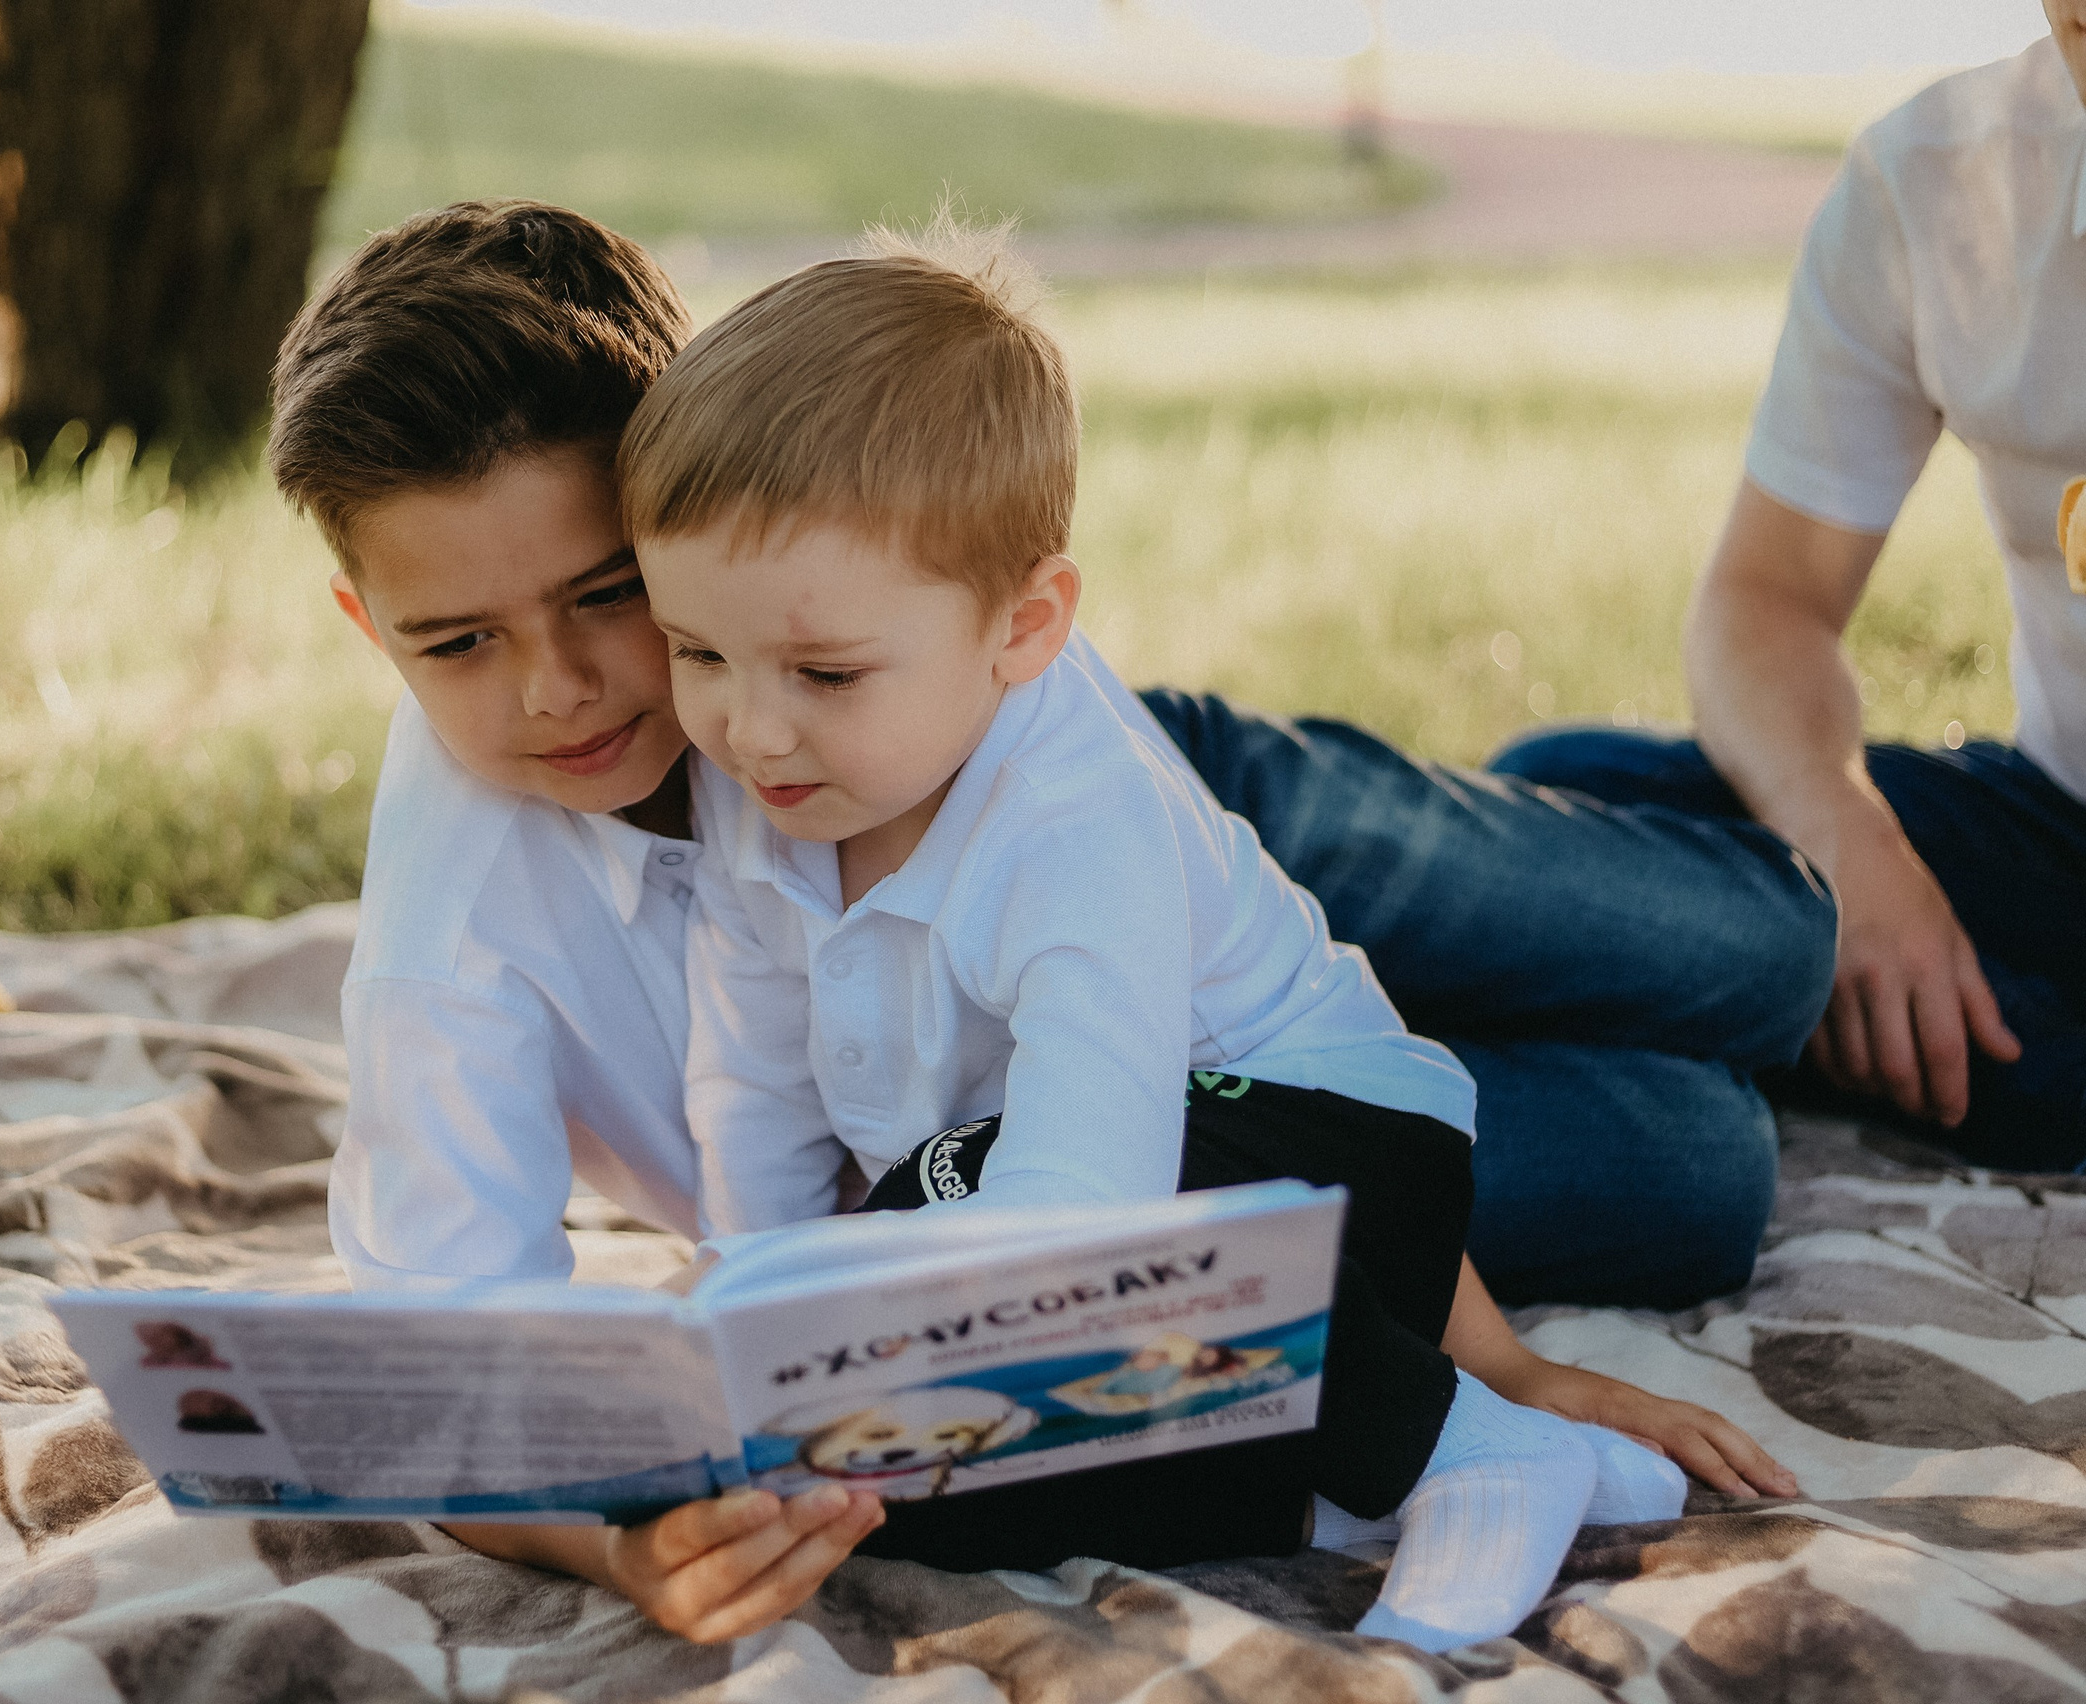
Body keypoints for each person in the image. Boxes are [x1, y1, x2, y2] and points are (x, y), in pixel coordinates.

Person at [266, 199, 1792, 1647]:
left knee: (1769, 954)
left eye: (608, 595)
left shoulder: (939, 683)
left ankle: (1617, 784)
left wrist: (1500, 1365)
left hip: (1158, 853)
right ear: (372, 626)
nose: (559, 688)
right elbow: (447, 1356)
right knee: (1702, 1164)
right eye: (458, 641)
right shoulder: (468, 921)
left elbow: (1128, 1148)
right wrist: (629, 1532)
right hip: (1009, 1120)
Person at [626, 228, 1703, 1649]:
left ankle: (1465, 1449)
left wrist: (831, 1294)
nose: (747, 727)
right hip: (1055, 1222)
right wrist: (763, 1347)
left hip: (1322, 1166)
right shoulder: (768, 795)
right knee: (868, 1472)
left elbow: (1088, 1201)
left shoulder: (1080, 820)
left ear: (1025, 625)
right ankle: (1350, 1504)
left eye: (823, 673)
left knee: (987, 1240)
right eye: (697, 654)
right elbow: (754, 1086)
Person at [1494, 8, 2086, 1171]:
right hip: (2057, 832)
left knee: (2020, 1062)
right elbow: (1766, 599)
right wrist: (1848, 853)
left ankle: (1779, 1025)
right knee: (1563, 806)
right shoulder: (1934, 182)